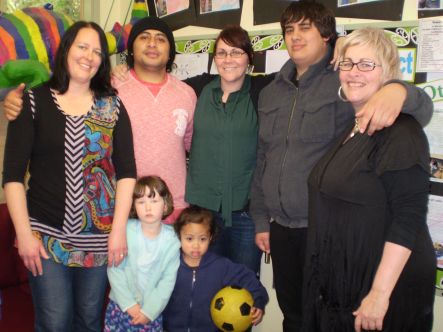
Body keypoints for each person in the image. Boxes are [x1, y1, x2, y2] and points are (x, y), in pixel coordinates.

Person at [249, 2, 434, 331]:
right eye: (289, 30)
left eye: (305, 28)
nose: (295, 36)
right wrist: (262, 217)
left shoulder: (344, 82)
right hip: (283, 228)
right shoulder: (269, 91)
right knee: (296, 313)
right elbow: (263, 157)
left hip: (324, 228)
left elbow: (418, 107)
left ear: (326, 36)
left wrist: (398, 90)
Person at [2, 21, 136, 332]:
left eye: (98, 51)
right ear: (66, 49)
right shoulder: (32, 102)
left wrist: (117, 232)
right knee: (54, 322)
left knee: (89, 321)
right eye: (82, 46)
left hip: (99, 240)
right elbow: (12, 176)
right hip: (45, 237)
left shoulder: (112, 106)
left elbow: (128, 172)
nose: (89, 56)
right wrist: (23, 235)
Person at [302, 27, 436, 332]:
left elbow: (408, 217)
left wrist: (379, 293)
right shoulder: (352, 127)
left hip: (381, 291)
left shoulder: (402, 132)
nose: (354, 72)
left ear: (387, 72)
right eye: (347, 63)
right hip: (343, 283)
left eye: (367, 64)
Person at [112, 25, 274, 274]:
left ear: (250, 59)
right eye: (221, 53)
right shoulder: (198, 89)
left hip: (243, 212)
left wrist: (335, 50)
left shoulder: (261, 91)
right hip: (200, 213)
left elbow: (297, 74)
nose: (228, 59)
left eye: (236, 52)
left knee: (243, 286)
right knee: (200, 285)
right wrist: (119, 71)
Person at [3, 16, 197, 224]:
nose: (152, 43)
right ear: (131, 48)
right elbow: (66, 89)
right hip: (123, 209)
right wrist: (14, 100)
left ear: (170, 52)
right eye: (144, 37)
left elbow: (191, 146)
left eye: (160, 39)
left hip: (174, 207)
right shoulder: (110, 89)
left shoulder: (187, 94)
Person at [163, 206, 268, 332]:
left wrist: (258, 302)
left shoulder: (221, 266)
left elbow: (249, 280)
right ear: (179, 236)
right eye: (189, 238)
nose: (196, 245)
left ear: (210, 238)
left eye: (202, 239)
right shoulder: (170, 264)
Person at [105, 176, 180, 332]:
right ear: (133, 206)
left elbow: (167, 281)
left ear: (165, 205)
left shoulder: (173, 240)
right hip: (121, 306)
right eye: (141, 202)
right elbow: (114, 270)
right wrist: (129, 305)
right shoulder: (125, 231)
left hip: (150, 311)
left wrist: (150, 311)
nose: (148, 208)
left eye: (154, 201)